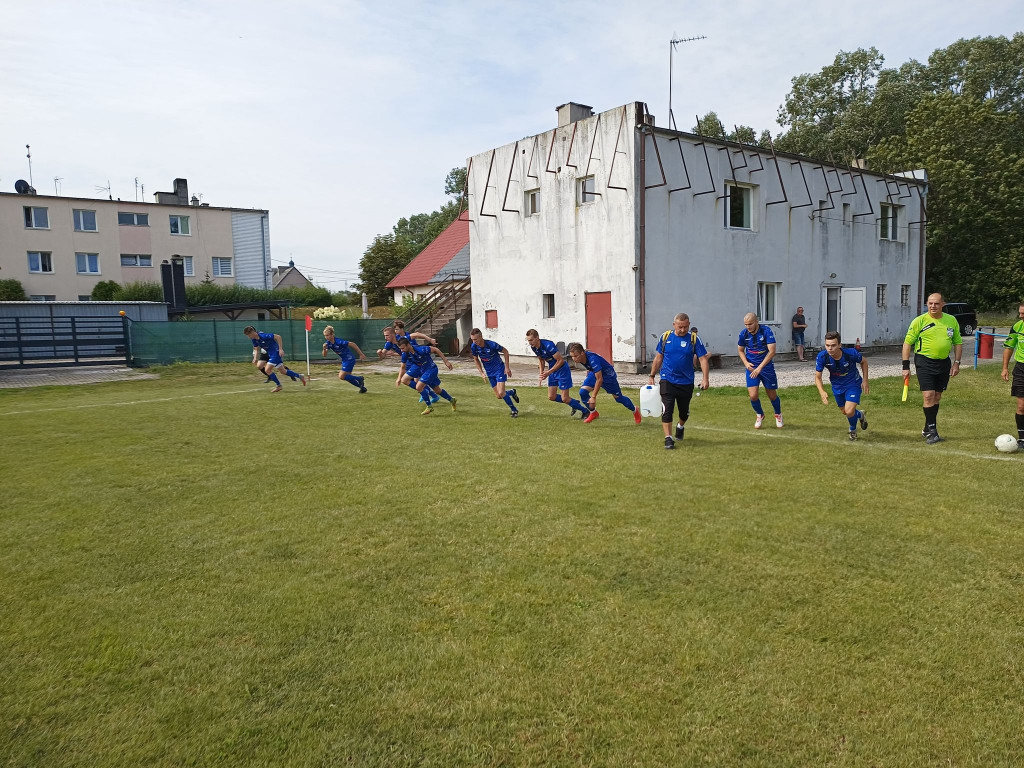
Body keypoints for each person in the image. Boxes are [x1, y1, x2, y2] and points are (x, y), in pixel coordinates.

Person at [902, 292, 962, 444]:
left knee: (937, 397)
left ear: (943, 304)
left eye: (936, 303)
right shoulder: (919, 321)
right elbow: (907, 343)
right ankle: (933, 432)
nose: (933, 306)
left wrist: (957, 363)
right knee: (928, 395)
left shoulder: (951, 320)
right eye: (930, 303)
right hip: (924, 361)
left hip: (943, 363)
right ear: (927, 305)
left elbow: (958, 343)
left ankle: (927, 427)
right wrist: (905, 366)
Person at [648, 313, 709, 449]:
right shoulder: (665, 337)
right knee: (667, 409)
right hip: (667, 379)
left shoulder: (694, 339)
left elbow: (703, 359)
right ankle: (668, 438)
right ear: (674, 325)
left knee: (684, 412)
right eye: (680, 327)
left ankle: (680, 426)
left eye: (685, 327)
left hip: (686, 382)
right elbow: (659, 358)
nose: (682, 330)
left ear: (689, 324)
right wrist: (652, 375)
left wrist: (705, 379)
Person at [566, 343, 641, 425]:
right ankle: (593, 413)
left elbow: (600, 379)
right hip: (595, 373)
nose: (574, 359)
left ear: (582, 353)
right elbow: (591, 368)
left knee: (619, 398)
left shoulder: (593, 359)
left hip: (608, 376)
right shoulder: (582, 358)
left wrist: (593, 397)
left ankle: (635, 410)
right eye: (572, 356)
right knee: (583, 392)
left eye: (575, 356)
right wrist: (589, 374)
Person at [814, 331, 869, 441]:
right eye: (827, 345)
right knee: (845, 412)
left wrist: (865, 381)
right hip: (837, 386)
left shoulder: (850, 353)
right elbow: (817, 377)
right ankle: (860, 415)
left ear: (840, 345)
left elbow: (864, 362)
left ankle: (852, 429)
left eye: (833, 345)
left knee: (849, 411)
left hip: (853, 383)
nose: (830, 348)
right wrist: (822, 392)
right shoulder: (822, 357)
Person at [526, 329, 591, 418]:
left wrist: (548, 372)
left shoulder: (548, 345)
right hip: (552, 371)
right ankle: (573, 402)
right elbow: (541, 360)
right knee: (551, 396)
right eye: (528, 340)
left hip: (562, 370)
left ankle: (585, 412)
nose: (530, 342)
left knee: (565, 398)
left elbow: (560, 360)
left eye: (531, 340)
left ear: (537, 338)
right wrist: (541, 374)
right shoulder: (534, 347)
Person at [737, 313, 783, 428]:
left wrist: (760, 368)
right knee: (753, 396)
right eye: (746, 324)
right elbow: (740, 350)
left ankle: (778, 414)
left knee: (772, 395)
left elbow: (772, 351)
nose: (748, 326)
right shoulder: (743, 334)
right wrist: (746, 363)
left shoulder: (766, 331)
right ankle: (760, 414)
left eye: (750, 324)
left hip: (766, 368)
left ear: (756, 321)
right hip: (752, 368)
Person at [396, 337, 457, 414]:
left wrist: (446, 361)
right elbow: (403, 367)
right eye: (400, 349)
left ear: (408, 345)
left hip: (430, 369)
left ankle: (429, 406)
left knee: (422, 387)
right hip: (419, 368)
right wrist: (398, 378)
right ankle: (452, 400)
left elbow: (436, 349)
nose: (402, 350)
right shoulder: (405, 354)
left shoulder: (420, 349)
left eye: (403, 348)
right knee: (404, 380)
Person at [382, 325, 439, 405]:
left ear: (393, 334)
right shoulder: (389, 344)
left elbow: (417, 334)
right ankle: (430, 394)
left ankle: (430, 394)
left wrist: (430, 339)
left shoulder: (403, 339)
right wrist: (381, 353)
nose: (385, 338)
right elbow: (383, 356)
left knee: (417, 380)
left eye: (387, 335)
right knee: (414, 380)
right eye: (384, 336)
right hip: (409, 361)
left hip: (416, 360)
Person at [469, 328, 519, 417]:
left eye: (475, 339)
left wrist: (507, 367)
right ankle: (512, 392)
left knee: (501, 392)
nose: (474, 341)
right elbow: (476, 359)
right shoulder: (474, 346)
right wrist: (482, 373)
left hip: (499, 369)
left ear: (481, 337)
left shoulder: (491, 344)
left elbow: (505, 351)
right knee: (499, 396)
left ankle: (514, 410)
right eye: (472, 339)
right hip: (489, 372)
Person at [243, 326, 306, 392]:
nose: (248, 337)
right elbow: (256, 349)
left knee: (267, 370)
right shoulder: (254, 340)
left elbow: (278, 337)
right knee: (283, 371)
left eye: (248, 335)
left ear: (252, 332)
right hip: (271, 354)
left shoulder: (263, 336)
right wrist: (255, 358)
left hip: (276, 353)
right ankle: (300, 376)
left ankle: (279, 386)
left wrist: (280, 349)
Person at [1000, 302, 1024, 449]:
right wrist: (1005, 368)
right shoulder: (1017, 326)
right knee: (1021, 405)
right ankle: (1022, 438)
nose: (1021, 316)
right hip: (1021, 368)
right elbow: (1009, 347)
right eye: (1020, 313)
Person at [322, 325, 368, 393]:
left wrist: (361, 354)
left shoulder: (338, 341)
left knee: (341, 376)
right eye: (325, 335)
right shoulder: (328, 343)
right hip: (345, 360)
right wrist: (324, 349)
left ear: (332, 335)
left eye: (327, 335)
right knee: (348, 377)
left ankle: (359, 378)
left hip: (349, 359)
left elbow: (352, 344)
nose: (326, 337)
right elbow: (324, 355)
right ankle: (362, 388)